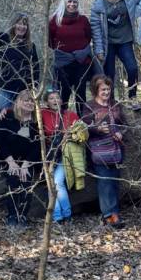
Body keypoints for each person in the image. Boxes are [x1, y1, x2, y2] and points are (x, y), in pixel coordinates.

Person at [90, 0, 141, 110]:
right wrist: (99, 49)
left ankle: (132, 97)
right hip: (109, 44)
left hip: (125, 41)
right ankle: (111, 103)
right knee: (109, 75)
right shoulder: (99, 3)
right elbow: (95, 28)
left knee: (132, 69)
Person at [82, 74, 128, 228]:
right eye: (103, 89)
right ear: (96, 90)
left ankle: (113, 213)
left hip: (115, 151)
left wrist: (121, 132)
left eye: (108, 89)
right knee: (105, 183)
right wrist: (97, 129)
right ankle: (110, 216)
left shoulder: (115, 105)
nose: (106, 92)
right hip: (99, 153)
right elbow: (84, 129)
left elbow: (125, 124)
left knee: (114, 183)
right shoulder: (89, 106)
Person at [0, 90, 41, 229]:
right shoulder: (7, 117)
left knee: (26, 181)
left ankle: (23, 216)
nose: (29, 103)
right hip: (7, 158)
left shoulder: (36, 122)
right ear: (18, 102)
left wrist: (26, 164)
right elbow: (0, 141)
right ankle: (12, 216)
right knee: (13, 179)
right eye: (25, 100)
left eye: (32, 100)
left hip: (27, 160)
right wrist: (11, 162)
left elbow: (37, 146)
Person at [0, 0, 40, 113]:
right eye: (19, 23)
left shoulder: (30, 46)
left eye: (25, 24)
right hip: (3, 90)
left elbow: (35, 69)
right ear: (14, 25)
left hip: (22, 92)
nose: (22, 27)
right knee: (3, 119)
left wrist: (33, 87)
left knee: (21, 121)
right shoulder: (4, 39)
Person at [49, 0, 93, 117]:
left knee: (81, 93)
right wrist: (65, 53)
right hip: (63, 64)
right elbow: (50, 41)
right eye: (69, 1)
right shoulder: (55, 20)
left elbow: (88, 37)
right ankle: (64, 124)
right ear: (64, 3)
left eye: (75, 2)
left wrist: (78, 52)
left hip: (81, 63)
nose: (72, 4)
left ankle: (82, 122)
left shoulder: (83, 20)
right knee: (64, 94)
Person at [41, 87, 79, 224]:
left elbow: (81, 133)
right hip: (50, 155)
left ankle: (64, 215)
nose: (55, 100)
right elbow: (23, 112)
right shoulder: (42, 114)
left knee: (56, 182)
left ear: (62, 100)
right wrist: (6, 110)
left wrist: (69, 135)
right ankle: (59, 217)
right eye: (51, 98)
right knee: (50, 182)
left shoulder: (71, 115)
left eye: (57, 97)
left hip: (67, 154)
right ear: (46, 102)